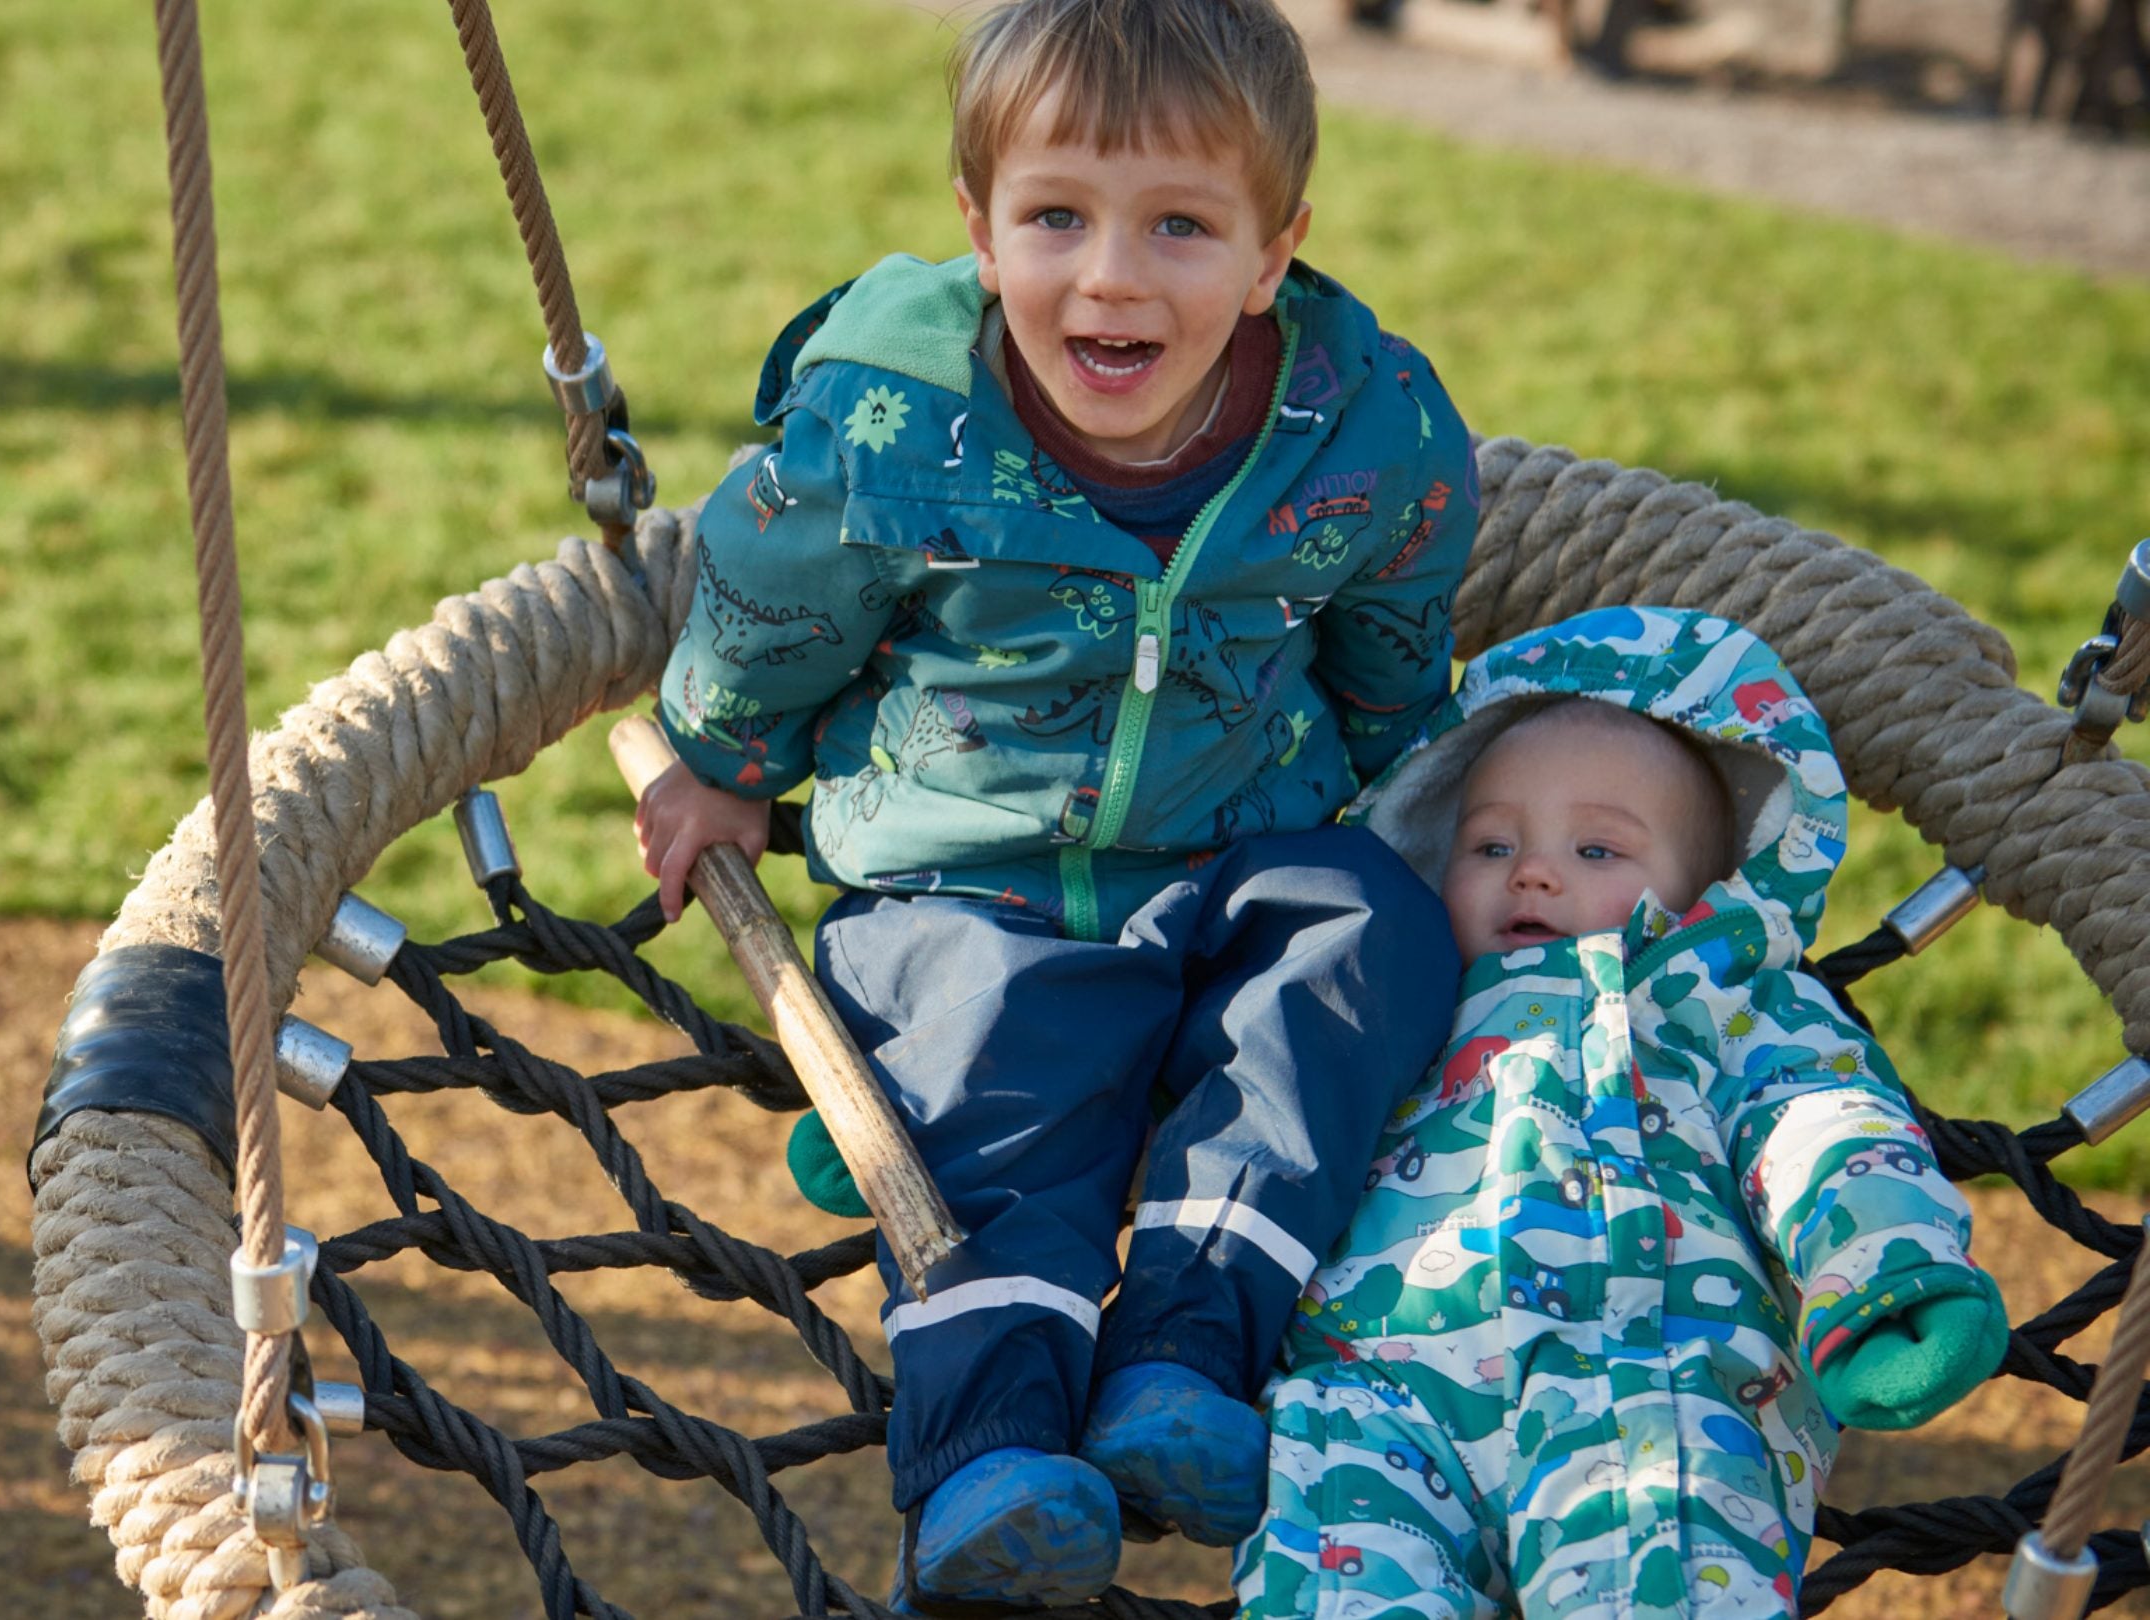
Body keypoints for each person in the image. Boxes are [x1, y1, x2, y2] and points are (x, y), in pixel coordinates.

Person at [633, 0, 1480, 1607]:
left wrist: (1395, 767)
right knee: (995, 1088)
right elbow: (768, 591)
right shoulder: (899, 421)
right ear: (978, 224)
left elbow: (1395, 610)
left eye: (1180, 225)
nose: (1110, 274)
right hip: (966, 875)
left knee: (1367, 936)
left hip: (1239, 848)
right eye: (1056, 217)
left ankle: (1180, 1364)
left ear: (1274, 249)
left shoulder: (1364, 429)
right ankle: (989, 1459)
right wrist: (725, 760)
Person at [1238, 607, 2009, 1618]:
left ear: (1701, 891)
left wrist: (1883, 1268)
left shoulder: (1720, 998)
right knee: (1326, 1555)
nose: (1534, 870)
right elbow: (1278, 1117)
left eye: (1597, 851)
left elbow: (1823, 1122)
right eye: (1491, 843)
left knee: (1660, 1565)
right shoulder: (1397, 993)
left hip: (1645, 1363)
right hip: (1380, 1388)